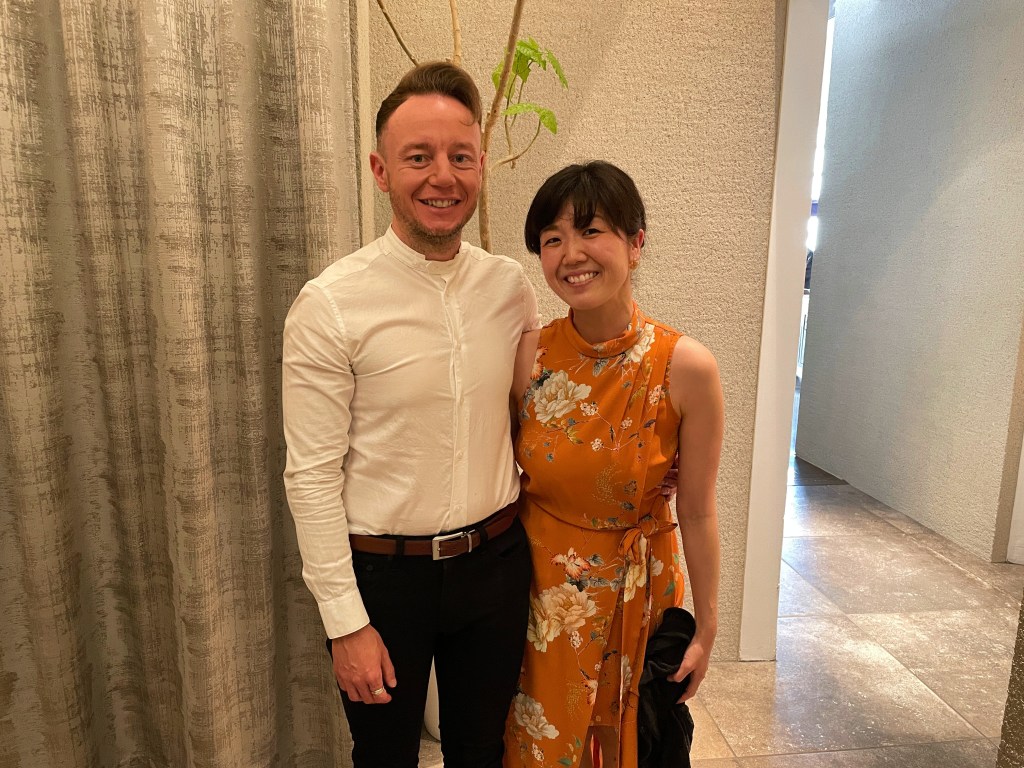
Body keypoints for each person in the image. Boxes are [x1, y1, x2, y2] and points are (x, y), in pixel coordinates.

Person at [282, 61, 539, 768]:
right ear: (381, 170)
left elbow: (542, 414)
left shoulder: (510, 287)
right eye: (418, 157)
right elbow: (310, 475)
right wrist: (345, 623)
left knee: (484, 753)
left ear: (481, 164)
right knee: (384, 757)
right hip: (384, 579)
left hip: (496, 564)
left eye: (460, 156)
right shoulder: (330, 304)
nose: (442, 177)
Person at [503, 162, 723, 768]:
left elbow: (698, 510)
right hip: (542, 600)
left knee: (635, 745)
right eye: (552, 239)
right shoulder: (528, 356)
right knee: (539, 747)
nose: (571, 254)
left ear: (635, 242)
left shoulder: (686, 367)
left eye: (591, 230)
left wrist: (707, 628)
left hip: (641, 591)